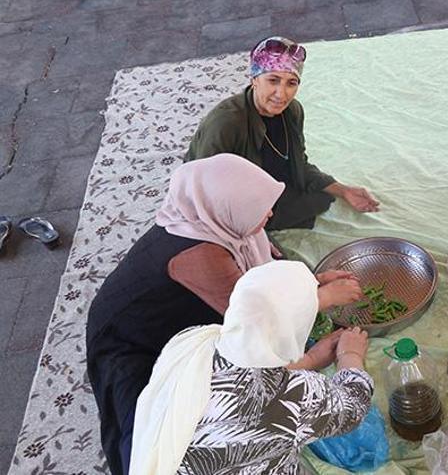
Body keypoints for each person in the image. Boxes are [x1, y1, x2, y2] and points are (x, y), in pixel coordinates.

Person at [86, 154, 364, 474]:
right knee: (146, 436)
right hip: (128, 344)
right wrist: (342, 353)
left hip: (157, 326)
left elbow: (258, 295)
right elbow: (348, 407)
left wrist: (311, 285)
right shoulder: (201, 262)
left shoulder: (207, 221)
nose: (271, 214)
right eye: (261, 208)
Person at [129, 260, 373, 474]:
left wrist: (310, 360)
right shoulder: (292, 396)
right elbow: (352, 408)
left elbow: (248, 374)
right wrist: (350, 354)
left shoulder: (198, 338)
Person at [185, 36, 379, 230]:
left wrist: (344, 191)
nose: (281, 94)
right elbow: (205, 190)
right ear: (254, 80)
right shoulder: (226, 122)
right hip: (228, 196)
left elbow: (298, 163)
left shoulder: (293, 111)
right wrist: (250, 230)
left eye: (291, 83)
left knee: (322, 198)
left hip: (268, 183)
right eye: (273, 80)